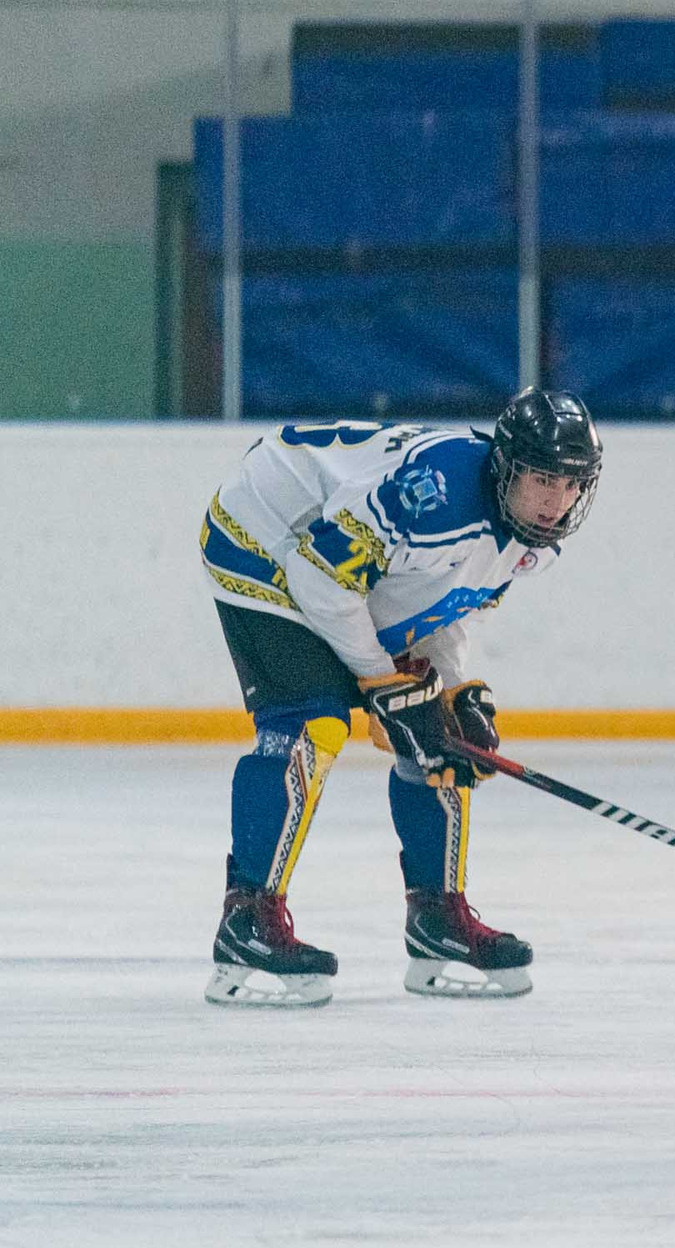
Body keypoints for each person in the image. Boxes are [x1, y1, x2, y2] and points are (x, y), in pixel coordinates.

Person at [199, 390, 603, 1008]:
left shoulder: (534, 542)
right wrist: (379, 681)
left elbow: (442, 603)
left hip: (323, 555)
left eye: (572, 484)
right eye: (543, 479)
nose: (557, 501)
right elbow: (317, 573)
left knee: (444, 733)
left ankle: (437, 920)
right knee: (314, 723)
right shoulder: (435, 495)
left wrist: (455, 687)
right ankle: (247, 917)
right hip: (262, 533)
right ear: (506, 467)